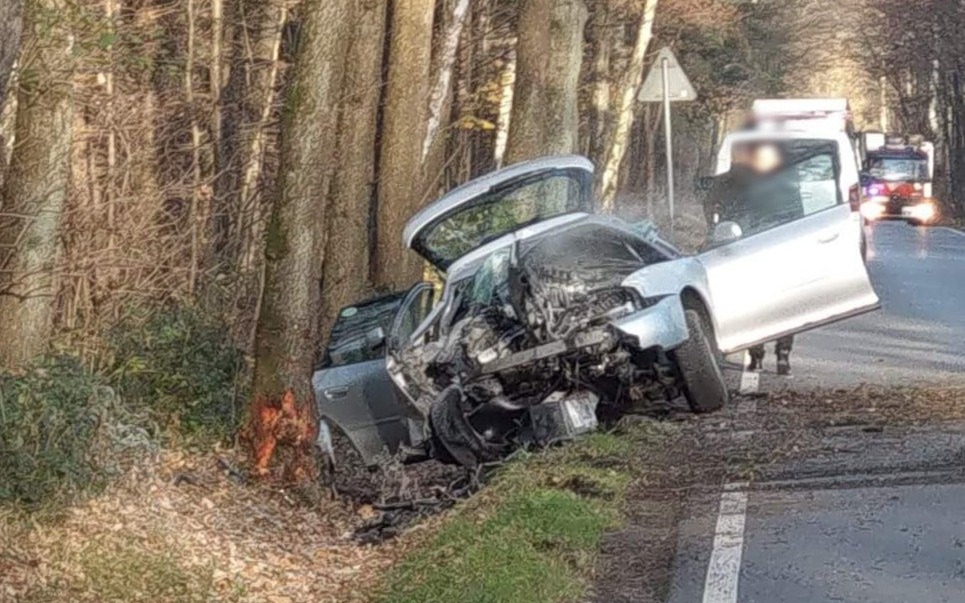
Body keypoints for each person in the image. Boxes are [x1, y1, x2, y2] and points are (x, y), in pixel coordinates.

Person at [703, 141, 798, 376]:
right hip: (776, 248)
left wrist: (713, 228)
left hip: (744, 247)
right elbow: (797, 214)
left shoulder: (728, 181)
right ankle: (782, 355)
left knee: (755, 304)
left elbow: (709, 204)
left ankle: (757, 356)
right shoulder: (784, 181)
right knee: (782, 303)